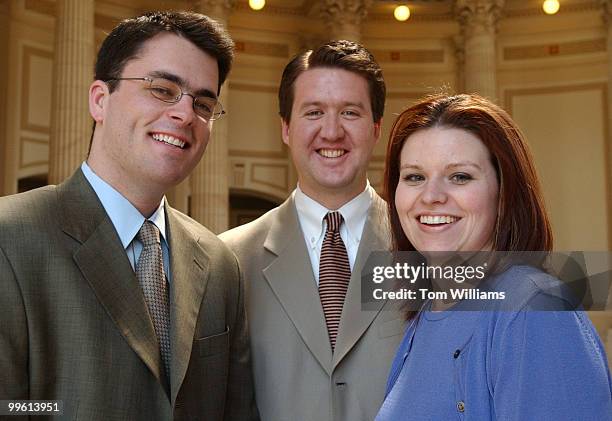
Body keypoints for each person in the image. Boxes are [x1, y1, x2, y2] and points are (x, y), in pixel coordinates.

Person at [0, 11, 257, 420]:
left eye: (203, 103)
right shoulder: (9, 238)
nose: (186, 114)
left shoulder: (219, 263)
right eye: (162, 89)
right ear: (100, 100)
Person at [375, 93, 612, 420]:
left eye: (460, 176)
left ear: (504, 194)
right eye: (415, 177)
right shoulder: (427, 314)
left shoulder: (535, 311)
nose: (431, 196)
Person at [220, 40, 404, 421]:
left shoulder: (422, 250)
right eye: (314, 112)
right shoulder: (229, 260)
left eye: (350, 112)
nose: (332, 131)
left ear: (375, 128)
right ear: (286, 128)